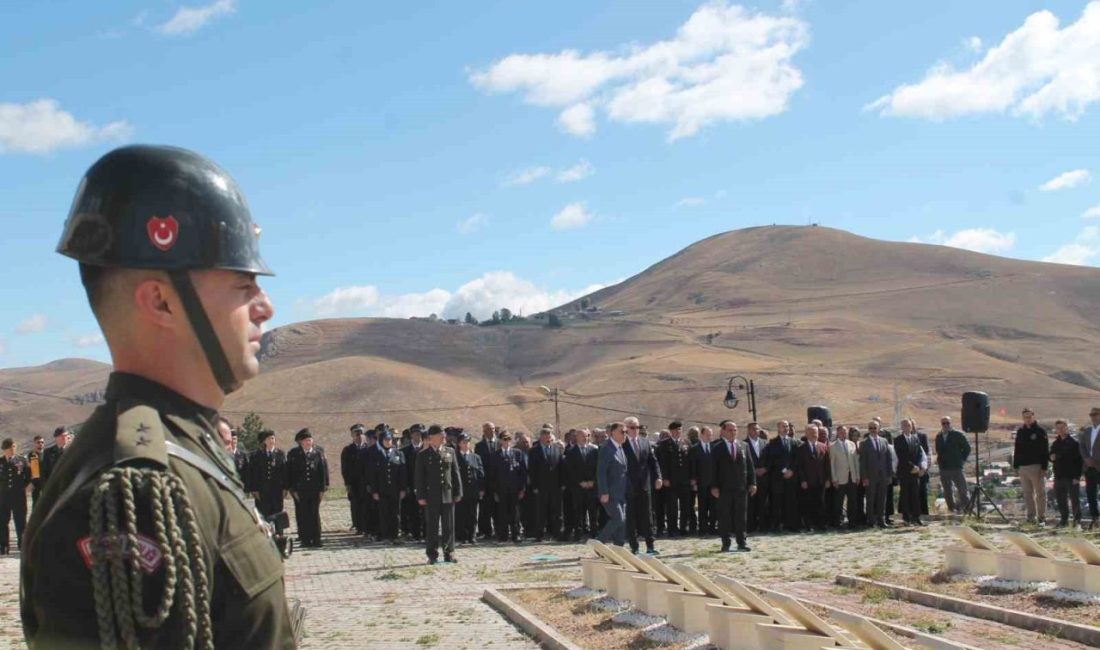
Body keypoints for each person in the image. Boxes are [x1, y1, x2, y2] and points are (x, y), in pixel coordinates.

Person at [22, 145, 295, 648]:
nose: (266, 306)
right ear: (162, 302)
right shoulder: (136, 495)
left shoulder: (188, 448)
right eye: (243, 285)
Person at [415, 424, 462, 564]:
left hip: (448, 495)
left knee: (449, 527)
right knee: (432, 527)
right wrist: (421, 496)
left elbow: (455, 473)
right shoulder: (423, 455)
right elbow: (419, 478)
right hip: (431, 497)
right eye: (440, 436)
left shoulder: (450, 452)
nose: (444, 438)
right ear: (431, 438)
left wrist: (458, 492)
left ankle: (449, 553)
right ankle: (432, 555)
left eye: (444, 436)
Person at [712, 421, 756, 552]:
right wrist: (714, 486)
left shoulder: (744, 445)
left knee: (741, 516)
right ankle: (726, 543)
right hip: (724, 488)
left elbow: (750, 466)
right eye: (730, 430)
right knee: (725, 516)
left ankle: (741, 542)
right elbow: (713, 469)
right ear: (724, 432)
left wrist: (753, 483)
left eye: (735, 430)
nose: (733, 433)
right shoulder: (717, 448)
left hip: (741, 487)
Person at [623, 416, 663, 554]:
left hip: (645, 485)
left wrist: (658, 477)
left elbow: (653, 462)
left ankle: (650, 545)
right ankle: (634, 547)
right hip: (628, 487)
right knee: (631, 517)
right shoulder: (621, 444)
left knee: (647, 516)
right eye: (632, 427)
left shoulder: (645, 442)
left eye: (637, 427)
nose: (635, 430)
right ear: (626, 428)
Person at [287, 428, 329, 547]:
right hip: (301, 491)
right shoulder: (296, 455)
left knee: (314, 514)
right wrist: (292, 489)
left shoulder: (318, 454)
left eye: (310, 440)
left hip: (315, 490)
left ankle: (316, 539)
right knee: (304, 514)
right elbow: (291, 474)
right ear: (301, 442)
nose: (308, 442)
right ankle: (305, 540)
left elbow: (323, 472)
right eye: (305, 440)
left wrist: (323, 489)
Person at [370, 428, 406, 544]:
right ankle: (385, 535)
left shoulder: (399, 454)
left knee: (395, 513)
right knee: (383, 513)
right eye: (386, 440)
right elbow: (373, 475)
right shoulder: (376, 455)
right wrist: (374, 491)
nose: (388, 442)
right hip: (382, 490)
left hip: (395, 490)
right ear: (381, 441)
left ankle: (394, 535)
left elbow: (403, 473)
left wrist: (403, 489)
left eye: (390, 439)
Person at [527, 426, 564, 542]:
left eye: (550, 436)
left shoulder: (556, 449)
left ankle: (557, 533)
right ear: (541, 437)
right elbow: (532, 470)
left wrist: (562, 484)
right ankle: (540, 534)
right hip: (541, 487)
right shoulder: (534, 451)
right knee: (541, 511)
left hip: (555, 486)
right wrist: (534, 486)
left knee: (556, 511)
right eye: (546, 436)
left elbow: (560, 467)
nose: (548, 439)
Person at [1014, 408, 1049, 526]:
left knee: (1040, 493)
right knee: (1028, 494)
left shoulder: (1040, 431)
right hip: (1023, 467)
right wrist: (1015, 465)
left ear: (1033, 416)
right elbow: (1017, 449)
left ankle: (1041, 518)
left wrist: (1044, 467)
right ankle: (1031, 517)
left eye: (1029, 417)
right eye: (1025, 417)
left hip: (1036, 466)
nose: (1027, 419)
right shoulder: (1020, 431)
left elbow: (1045, 450)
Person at [657, 421, 693, 537]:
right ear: (671, 431)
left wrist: (692, 477)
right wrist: (665, 478)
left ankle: (684, 527)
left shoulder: (686, 443)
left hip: (684, 480)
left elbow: (691, 462)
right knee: (672, 506)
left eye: (680, 430)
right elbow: (662, 463)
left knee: (685, 505)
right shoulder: (664, 444)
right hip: (671, 480)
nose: (678, 432)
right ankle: (672, 528)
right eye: (676, 430)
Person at [596, 422, 630, 547]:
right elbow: (601, 472)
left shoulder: (620, 448)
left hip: (621, 492)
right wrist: (604, 492)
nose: (625, 434)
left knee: (622, 521)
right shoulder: (606, 448)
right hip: (609, 493)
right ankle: (599, 542)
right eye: (622, 432)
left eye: (626, 432)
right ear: (613, 432)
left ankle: (619, 547)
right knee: (618, 519)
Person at [489, 432, 527, 543]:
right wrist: (495, 491)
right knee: (502, 513)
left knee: (515, 513)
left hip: (515, 489)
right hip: (501, 489)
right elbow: (492, 475)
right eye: (505, 439)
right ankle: (503, 535)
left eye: (509, 439)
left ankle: (516, 534)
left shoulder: (517, 453)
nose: (507, 441)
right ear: (500, 441)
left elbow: (523, 472)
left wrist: (522, 488)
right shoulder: (495, 455)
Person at [765, 420, 800, 533]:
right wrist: (784, 470)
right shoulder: (773, 443)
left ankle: (791, 525)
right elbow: (774, 460)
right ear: (778, 428)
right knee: (777, 503)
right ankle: (777, 525)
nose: (786, 428)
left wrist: (792, 470)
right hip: (778, 478)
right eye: (783, 426)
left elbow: (796, 459)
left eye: (787, 426)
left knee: (791, 502)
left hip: (791, 477)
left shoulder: (794, 442)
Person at [564, 428, 599, 540]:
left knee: (593, 511)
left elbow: (597, 468)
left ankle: (594, 533)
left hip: (592, 487)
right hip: (577, 487)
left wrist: (592, 481)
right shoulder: (571, 452)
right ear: (577, 437)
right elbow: (570, 470)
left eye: (587, 436)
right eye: (583, 436)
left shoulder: (594, 450)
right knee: (578, 511)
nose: (586, 438)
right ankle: (578, 533)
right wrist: (580, 482)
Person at [934, 416, 971, 514]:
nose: (946, 425)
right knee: (947, 491)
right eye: (943, 423)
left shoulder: (958, 435)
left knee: (962, 490)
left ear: (951, 423)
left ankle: (967, 510)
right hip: (944, 468)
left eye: (947, 423)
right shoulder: (939, 436)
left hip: (957, 468)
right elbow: (938, 450)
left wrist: (961, 460)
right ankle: (952, 509)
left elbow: (967, 448)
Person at [861, 420, 894, 528]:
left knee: (882, 499)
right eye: (870, 428)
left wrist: (889, 475)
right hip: (871, 476)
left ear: (879, 428)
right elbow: (863, 462)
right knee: (870, 499)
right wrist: (864, 477)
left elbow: (888, 459)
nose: (873, 430)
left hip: (883, 476)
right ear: (868, 429)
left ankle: (881, 520)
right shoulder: (864, 443)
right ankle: (870, 521)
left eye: (875, 428)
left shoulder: (884, 441)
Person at [1051, 419, 1083, 528]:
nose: (1060, 430)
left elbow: (1079, 461)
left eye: (1062, 427)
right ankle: (1064, 520)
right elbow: (1051, 455)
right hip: (1058, 476)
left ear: (1066, 428)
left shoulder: (1074, 443)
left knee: (1074, 500)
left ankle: (1077, 521)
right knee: (1061, 500)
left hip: (1071, 476)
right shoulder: (1056, 443)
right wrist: (1051, 457)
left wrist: (1077, 477)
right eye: (1058, 428)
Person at [894, 419, 928, 526]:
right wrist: (912, 466)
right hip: (904, 471)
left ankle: (916, 517)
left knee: (915, 494)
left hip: (915, 472)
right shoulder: (898, 440)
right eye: (905, 425)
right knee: (905, 494)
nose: (907, 427)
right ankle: (906, 518)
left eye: (909, 425)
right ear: (902, 427)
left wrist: (919, 466)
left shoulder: (915, 438)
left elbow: (919, 454)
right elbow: (900, 456)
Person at [0, 439, 31, 554]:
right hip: (3, 497)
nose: (12, 449)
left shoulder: (22, 460)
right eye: (9, 448)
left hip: (18, 496)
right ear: (4, 450)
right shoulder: (1, 462)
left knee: (20, 521)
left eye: (14, 447)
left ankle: (22, 545)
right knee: (2, 521)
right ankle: (3, 545)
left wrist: (25, 486)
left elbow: (28, 476)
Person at [249, 429, 288, 518]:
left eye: (273, 438)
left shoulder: (280, 454)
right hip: (262, 492)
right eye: (269, 439)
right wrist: (254, 489)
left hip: (277, 491)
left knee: (277, 516)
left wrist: (285, 488)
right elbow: (254, 474)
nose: (271, 441)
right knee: (263, 515)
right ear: (264, 441)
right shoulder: (257, 455)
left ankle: (278, 532)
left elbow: (285, 472)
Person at [827, 426, 859, 529]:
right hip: (840, 478)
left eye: (845, 432)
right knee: (838, 502)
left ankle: (852, 522)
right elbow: (832, 464)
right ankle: (838, 522)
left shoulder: (851, 444)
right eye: (841, 432)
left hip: (852, 477)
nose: (843, 434)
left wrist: (857, 476)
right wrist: (834, 479)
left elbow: (855, 462)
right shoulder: (832, 446)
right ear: (837, 433)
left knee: (852, 501)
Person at [455, 433, 484, 544]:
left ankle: (472, 536)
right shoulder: (455, 457)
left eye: (467, 442)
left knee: (472, 515)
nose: (466, 444)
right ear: (459, 444)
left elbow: (481, 474)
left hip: (473, 491)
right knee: (461, 514)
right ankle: (462, 536)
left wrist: (481, 489)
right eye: (464, 442)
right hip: (461, 491)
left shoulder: (476, 457)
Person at [474, 421, 499, 539]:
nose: (490, 432)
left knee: (498, 508)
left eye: (492, 429)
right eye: (487, 430)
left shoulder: (500, 443)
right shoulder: (479, 446)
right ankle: (485, 531)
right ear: (483, 432)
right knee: (485, 509)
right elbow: (479, 465)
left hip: (499, 482)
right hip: (486, 482)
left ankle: (499, 529)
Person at [690, 426, 717, 535]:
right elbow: (692, 467)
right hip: (701, 483)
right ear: (701, 435)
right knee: (702, 507)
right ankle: (703, 528)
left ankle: (712, 527)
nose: (709, 437)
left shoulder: (714, 447)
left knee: (713, 506)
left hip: (713, 483)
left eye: (711, 434)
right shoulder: (695, 449)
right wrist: (694, 481)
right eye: (707, 434)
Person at [341, 424, 368, 534]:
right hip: (354, 483)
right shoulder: (348, 450)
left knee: (367, 505)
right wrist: (347, 484)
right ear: (352, 435)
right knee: (356, 504)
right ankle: (358, 526)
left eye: (361, 433)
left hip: (366, 483)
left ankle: (366, 526)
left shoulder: (368, 448)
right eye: (356, 434)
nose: (359, 436)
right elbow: (345, 469)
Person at [401, 425, 425, 540]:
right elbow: (404, 471)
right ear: (411, 435)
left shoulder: (427, 449)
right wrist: (406, 486)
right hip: (411, 486)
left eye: (420, 434)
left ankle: (425, 533)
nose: (418, 436)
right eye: (415, 434)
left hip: (425, 486)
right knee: (413, 511)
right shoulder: (404, 452)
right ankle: (415, 534)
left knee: (425, 512)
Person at [744, 422, 768, 533]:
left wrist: (765, 468)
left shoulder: (765, 443)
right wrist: (753, 471)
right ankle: (750, 527)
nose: (756, 431)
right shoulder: (744, 444)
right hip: (750, 479)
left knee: (763, 502)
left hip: (763, 477)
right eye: (753, 429)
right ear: (748, 430)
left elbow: (770, 459)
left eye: (758, 429)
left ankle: (763, 526)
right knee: (750, 504)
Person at [1079, 407, 1100, 526]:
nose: (1093, 417)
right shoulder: (1087, 431)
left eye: (1095, 414)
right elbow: (1081, 446)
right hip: (1089, 467)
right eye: (1091, 415)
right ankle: (1095, 518)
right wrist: (1087, 458)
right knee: (1091, 493)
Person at [26, 436, 44, 507]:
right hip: (36, 483)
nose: (41, 444)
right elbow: (35, 472)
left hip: (45, 481)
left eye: (42, 442)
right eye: (38, 442)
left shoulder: (47, 453)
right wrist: (31, 483)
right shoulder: (33, 455)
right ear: (35, 444)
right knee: (36, 503)